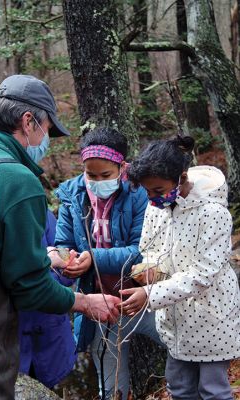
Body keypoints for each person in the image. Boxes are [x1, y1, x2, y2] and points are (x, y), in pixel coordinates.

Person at [0, 74, 120, 400]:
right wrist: (85, 302)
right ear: (28, 121)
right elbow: (28, 285)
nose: (48, 141)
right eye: (47, 130)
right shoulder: (16, 179)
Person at [120, 135, 240, 400]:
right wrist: (150, 269)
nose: (152, 198)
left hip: (212, 316)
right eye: (148, 192)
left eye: (159, 190)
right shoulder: (157, 209)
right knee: (180, 387)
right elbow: (149, 248)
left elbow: (203, 274)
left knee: (213, 389)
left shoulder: (214, 215)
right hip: (175, 317)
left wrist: (151, 295)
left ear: (182, 178)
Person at [48, 127, 162, 400]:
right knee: (110, 383)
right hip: (100, 303)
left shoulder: (139, 193)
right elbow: (63, 242)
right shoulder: (73, 195)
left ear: (122, 167)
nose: (97, 181)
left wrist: (93, 258)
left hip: (142, 295)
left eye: (106, 175)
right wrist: (63, 259)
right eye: (91, 175)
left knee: (181, 346)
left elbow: (142, 251)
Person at [19, 209, 77, 388]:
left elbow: (66, 262)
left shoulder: (37, 210)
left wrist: (67, 264)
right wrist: (43, 263)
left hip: (49, 335)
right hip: (7, 345)